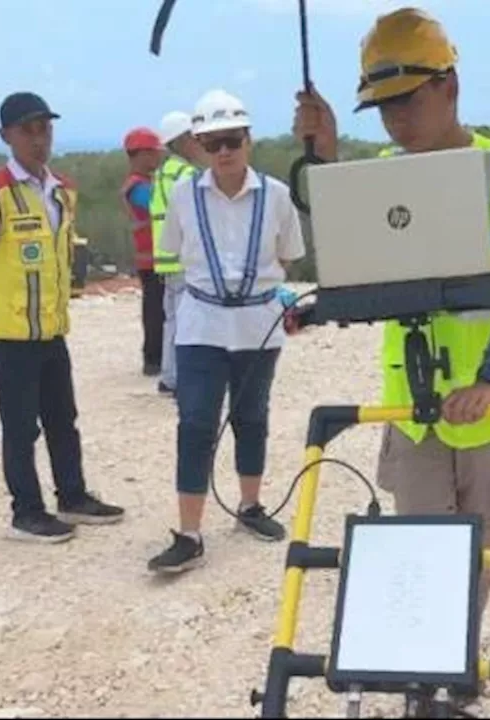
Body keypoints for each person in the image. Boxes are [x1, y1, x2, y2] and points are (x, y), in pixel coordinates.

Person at [293, 6, 490, 656]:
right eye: (381, 107)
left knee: (479, 553)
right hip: (411, 412)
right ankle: (419, 664)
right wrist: (321, 160)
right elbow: (354, 267)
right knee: (416, 549)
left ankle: (456, 663)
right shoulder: (382, 173)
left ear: (450, 87)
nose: (394, 120)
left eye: (406, 101)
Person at [147, 89, 307, 573]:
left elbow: (289, 256)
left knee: (252, 416)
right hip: (201, 322)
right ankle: (189, 532)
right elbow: (174, 247)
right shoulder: (182, 195)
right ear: (198, 145)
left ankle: (250, 506)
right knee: (195, 422)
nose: (223, 152)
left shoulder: (277, 196)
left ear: (248, 140)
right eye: (212, 143)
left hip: (257, 323)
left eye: (231, 140)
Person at [0, 91, 125, 543]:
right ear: (5, 135)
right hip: (7, 334)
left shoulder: (61, 191)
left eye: (44, 128)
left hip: (49, 328)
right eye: (27, 130)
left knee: (62, 417)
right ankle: (26, 512)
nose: (38, 139)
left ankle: (73, 496)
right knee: (20, 425)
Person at [150, 110, 211, 397]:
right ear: (185, 139)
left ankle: (169, 376)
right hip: (186, 259)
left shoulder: (163, 173)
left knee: (172, 319)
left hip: (167, 261)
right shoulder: (186, 174)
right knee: (188, 321)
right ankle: (181, 380)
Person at [121, 127, 166, 376]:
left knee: (158, 310)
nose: (158, 158)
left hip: (157, 259)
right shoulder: (137, 187)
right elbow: (158, 206)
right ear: (141, 154)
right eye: (154, 153)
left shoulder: (146, 183)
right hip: (152, 261)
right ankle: (153, 358)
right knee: (155, 312)